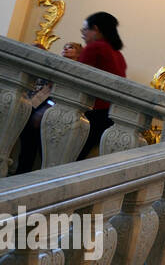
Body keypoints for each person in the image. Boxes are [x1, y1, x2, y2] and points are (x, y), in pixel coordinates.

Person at [17, 11, 128, 171]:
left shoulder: (95, 48)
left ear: (95, 29)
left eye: (84, 30)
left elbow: (73, 83)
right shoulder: (118, 55)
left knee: (46, 149)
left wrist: (48, 107)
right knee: (69, 162)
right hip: (106, 117)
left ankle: (23, 173)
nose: (82, 35)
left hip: (89, 113)